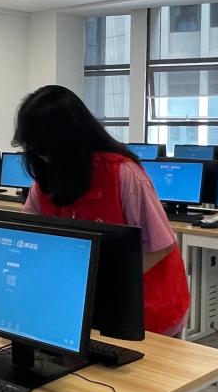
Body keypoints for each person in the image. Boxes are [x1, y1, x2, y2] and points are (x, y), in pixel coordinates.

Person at [14, 85, 189, 336]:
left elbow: (161, 246)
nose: (44, 158)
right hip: (86, 304)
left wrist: (101, 284)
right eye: (35, 150)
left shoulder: (124, 175)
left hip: (147, 304)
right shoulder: (46, 182)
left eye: (48, 150)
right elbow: (27, 233)